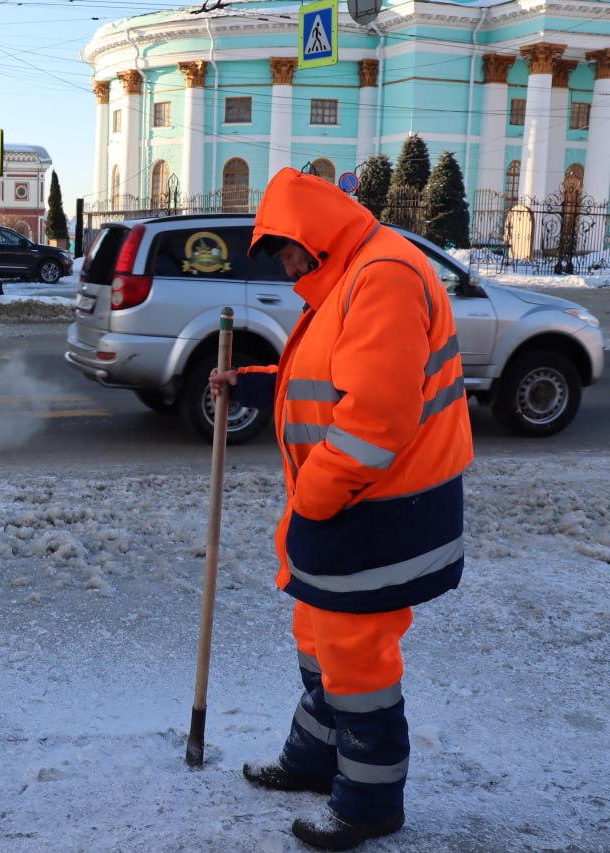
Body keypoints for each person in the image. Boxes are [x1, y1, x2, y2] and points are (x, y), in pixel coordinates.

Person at [209, 167, 473, 850]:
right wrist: (254, 385)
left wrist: (312, 505)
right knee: (315, 633)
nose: (288, 266)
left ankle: (368, 802)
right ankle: (313, 757)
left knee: (356, 659)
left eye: (289, 250)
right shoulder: (349, 276)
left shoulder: (382, 274)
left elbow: (372, 424)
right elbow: (327, 381)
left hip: (383, 511)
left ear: (315, 232)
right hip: (354, 505)